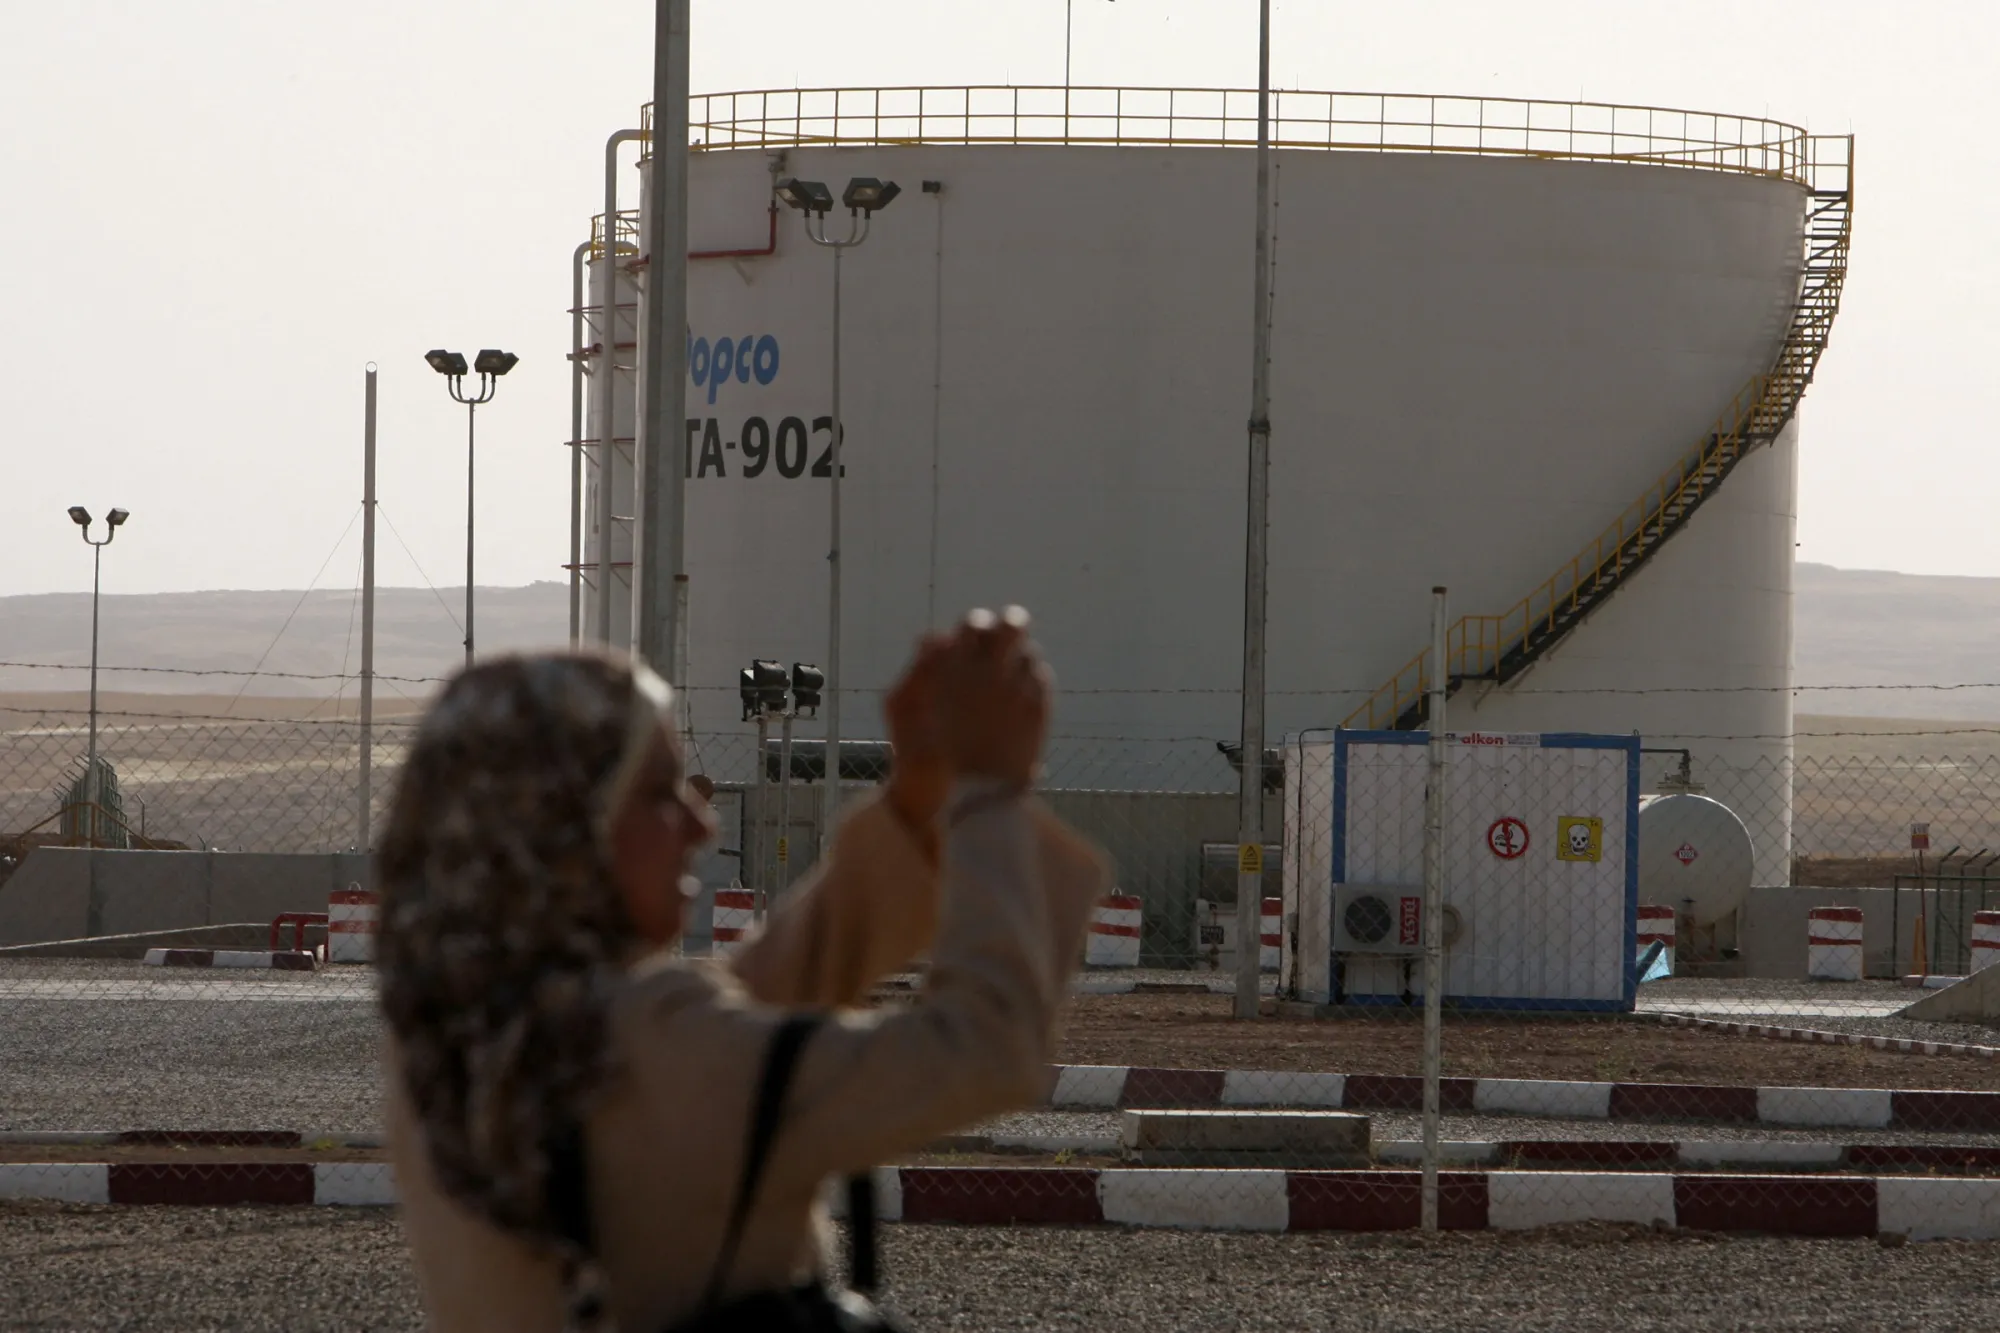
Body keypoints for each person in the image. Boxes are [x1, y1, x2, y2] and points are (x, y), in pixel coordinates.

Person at [378, 609, 1108, 1331]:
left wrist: (915, 805)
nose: (703, 824)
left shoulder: (468, 1039)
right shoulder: (655, 1051)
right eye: (659, 793)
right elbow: (984, 1049)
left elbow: (742, 1016)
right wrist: (988, 792)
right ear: (561, 828)